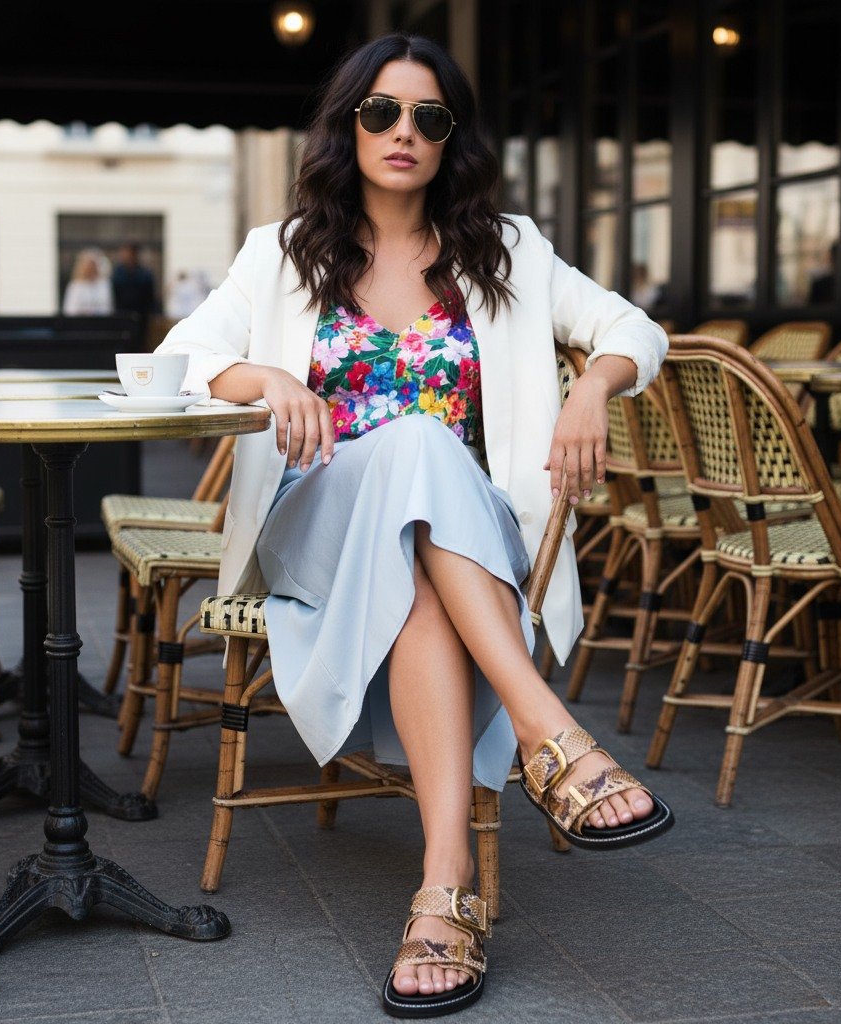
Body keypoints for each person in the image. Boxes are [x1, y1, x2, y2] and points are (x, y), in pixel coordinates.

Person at [158, 34, 672, 1018]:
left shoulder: (510, 250)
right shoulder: (280, 253)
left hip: (456, 538)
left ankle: (442, 890)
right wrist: (265, 377)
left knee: (426, 524)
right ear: (347, 124)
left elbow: (632, 329)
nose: (403, 133)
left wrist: (593, 388)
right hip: (318, 526)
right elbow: (185, 356)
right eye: (381, 113)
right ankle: (549, 733)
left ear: (452, 140)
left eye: (428, 118)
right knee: (415, 447)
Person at [111, 242, 158, 325]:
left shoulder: (145, 275)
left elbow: (150, 299)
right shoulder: (116, 274)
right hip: (121, 316)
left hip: (141, 317)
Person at [62, 249, 112, 315]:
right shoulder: (75, 286)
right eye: (88, 266)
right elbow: (69, 310)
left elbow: (108, 308)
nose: (90, 269)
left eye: (93, 266)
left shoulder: (104, 285)